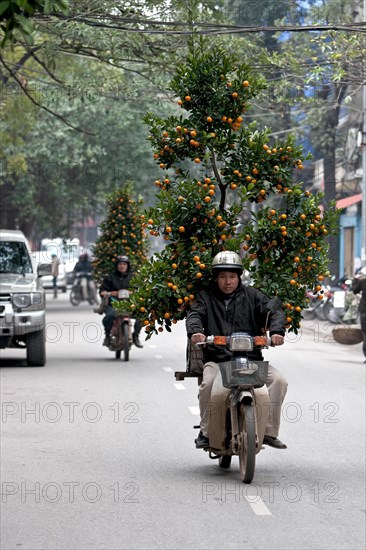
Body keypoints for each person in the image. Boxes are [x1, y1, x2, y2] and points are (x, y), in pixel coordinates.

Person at [186, 250, 288, 450]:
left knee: (279, 381)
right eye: (223, 276)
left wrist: (276, 331)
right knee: (208, 385)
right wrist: (196, 331)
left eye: (232, 276)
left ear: (239, 277)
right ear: (216, 278)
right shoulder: (205, 297)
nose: (227, 281)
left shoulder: (253, 296)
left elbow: (273, 311)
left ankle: (268, 432)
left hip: (251, 360)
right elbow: (195, 314)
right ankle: (206, 432)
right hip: (217, 359)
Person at [99, 255, 143, 348]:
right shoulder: (110, 277)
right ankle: (107, 336)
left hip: (130, 304)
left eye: (124, 264)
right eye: (120, 264)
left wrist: (132, 292)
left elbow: (141, 289)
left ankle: (136, 336)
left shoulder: (134, 277)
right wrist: (110, 293)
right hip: (113, 304)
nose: (122, 266)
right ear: (117, 265)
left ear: (128, 266)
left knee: (142, 317)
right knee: (109, 317)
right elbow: (102, 291)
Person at [352, 266, 366, 362]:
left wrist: (355, 280)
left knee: (365, 333)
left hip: (364, 311)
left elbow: (354, 290)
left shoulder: (363, 282)